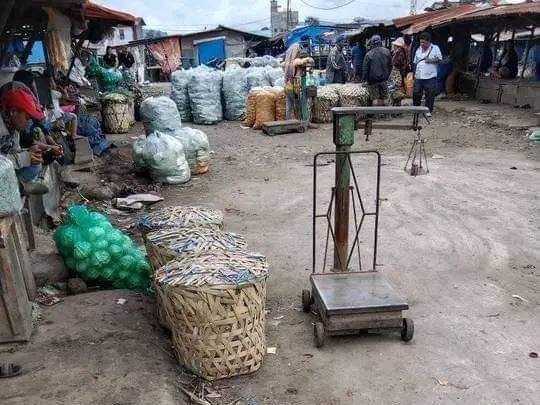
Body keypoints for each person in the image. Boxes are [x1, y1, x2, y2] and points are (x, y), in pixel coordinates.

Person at [0, 88, 49, 194]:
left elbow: (13, 152)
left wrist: (28, 152)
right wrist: (24, 157)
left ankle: (14, 188)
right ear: (13, 112)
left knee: (35, 166)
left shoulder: (13, 129)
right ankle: (18, 188)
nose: (29, 122)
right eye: (27, 117)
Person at [283, 36, 313, 120]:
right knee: (301, 103)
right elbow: (307, 61)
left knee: (289, 106)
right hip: (295, 87)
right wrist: (308, 59)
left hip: (287, 86)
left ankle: (288, 121)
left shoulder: (286, 63)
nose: (300, 52)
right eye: (299, 51)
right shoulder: (295, 62)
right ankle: (303, 121)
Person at [413, 32, 442, 116]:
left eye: (423, 42)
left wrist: (430, 60)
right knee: (416, 93)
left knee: (429, 94)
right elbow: (415, 62)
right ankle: (416, 109)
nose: (422, 44)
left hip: (430, 76)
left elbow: (440, 60)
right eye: (421, 42)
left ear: (429, 41)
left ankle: (428, 111)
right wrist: (414, 75)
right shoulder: (418, 49)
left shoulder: (435, 48)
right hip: (419, 76)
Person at [363, 35, 392, 106]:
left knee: (375, 99)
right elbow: (390, 65)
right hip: (384, 79)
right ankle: (387, 114)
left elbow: (365, 69)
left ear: (372, 43)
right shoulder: (387, 52)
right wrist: (387, 75)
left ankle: (376, 115)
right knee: (385, 98)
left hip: (372, 81)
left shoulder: (368, 54)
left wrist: (364, 79)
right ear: (380, 42)